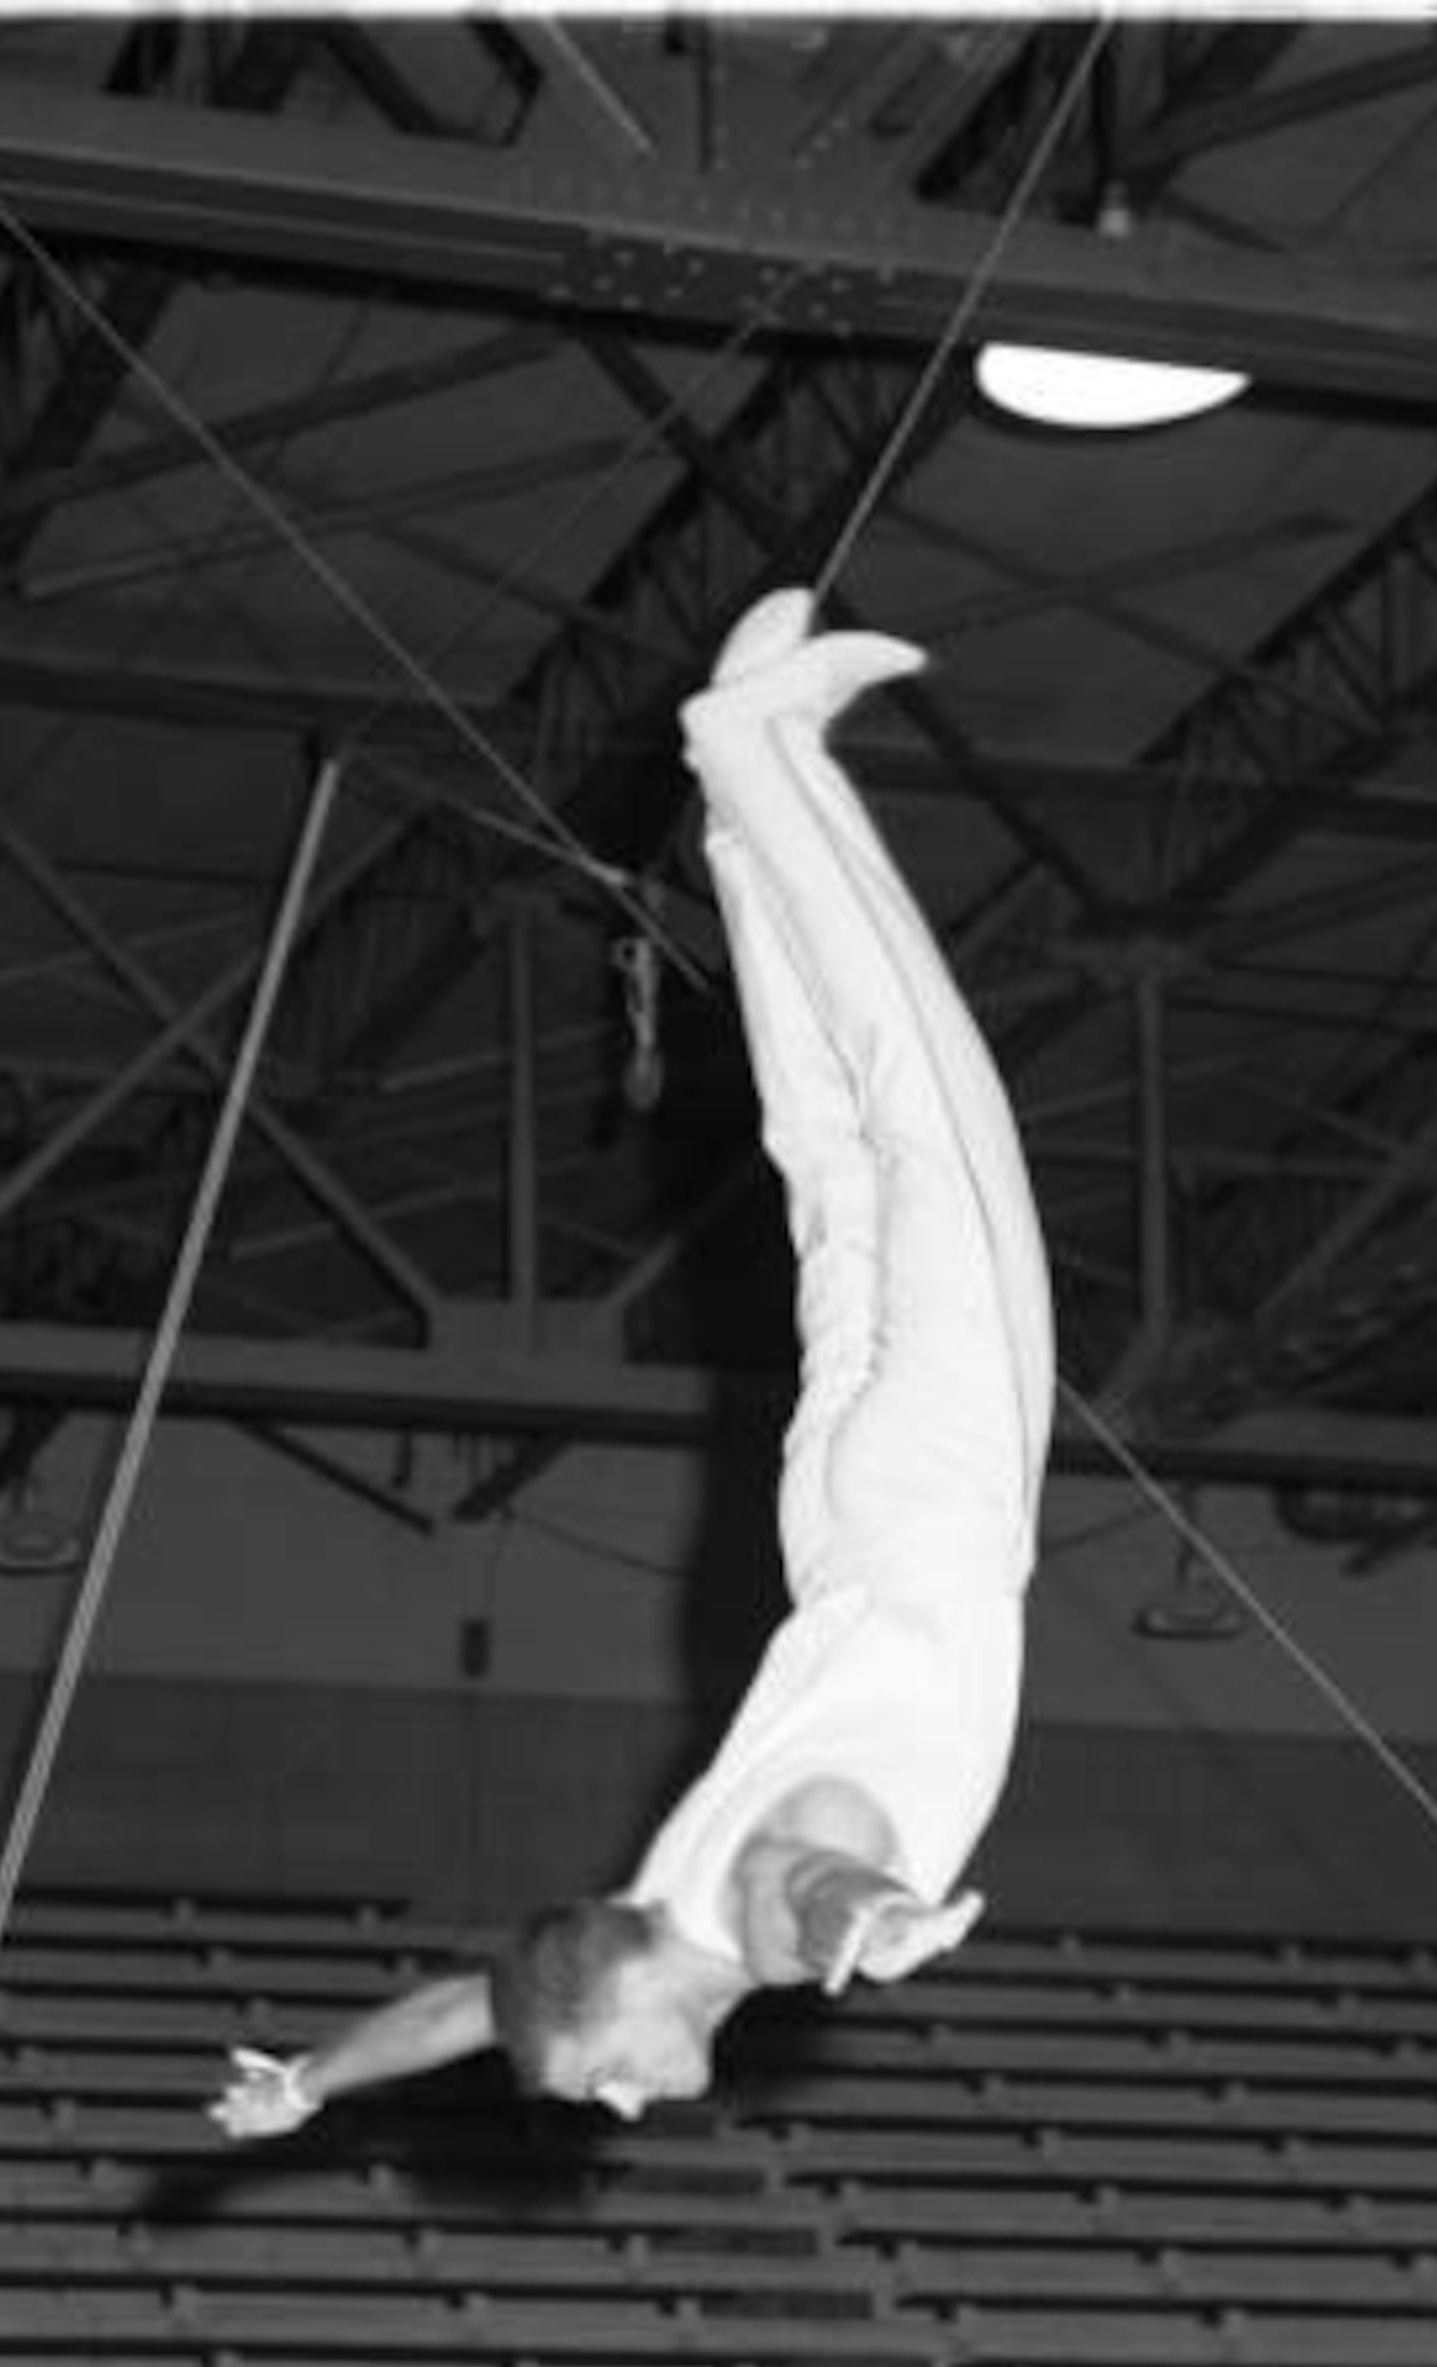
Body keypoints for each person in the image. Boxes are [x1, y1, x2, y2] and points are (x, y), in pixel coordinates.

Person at [208, 581, 1050, 2140]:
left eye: (603, 2074)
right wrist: (315, 2078)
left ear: (618, 2001)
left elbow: (809, 1882)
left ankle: (763, 752)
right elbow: (475, 2006)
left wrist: (878, 1924)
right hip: (839, 1528)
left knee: (928, 1106)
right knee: (836, 1160)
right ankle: (743, 817)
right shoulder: (641, 1910)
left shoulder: (751, 1921)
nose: (624, 2107)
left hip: (931, 1504)